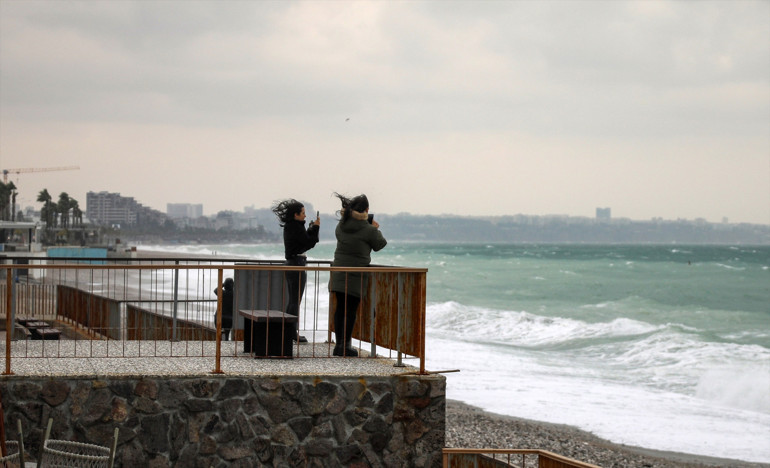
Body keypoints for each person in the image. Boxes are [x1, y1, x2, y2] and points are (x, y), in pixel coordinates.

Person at [329, 193, 387, 356]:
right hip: (355, 275)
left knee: (340, 309)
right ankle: (346, 346)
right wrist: (375, 228)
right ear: (366, 210)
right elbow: (380, 244)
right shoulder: (368, 229)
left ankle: (339, 345)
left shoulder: (341, 225)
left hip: (338, 272)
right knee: (350, 311)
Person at [272, 199, 320, 343]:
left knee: (293, 301)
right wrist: (315, 228)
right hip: (296, 264)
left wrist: (311, 229)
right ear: (296, 215)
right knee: (294, 301)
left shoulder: (292, 226)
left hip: (293, 264)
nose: (305, 215)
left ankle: (289, 331)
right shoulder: (295, 227)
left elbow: (304, 241)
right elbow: (309, 242)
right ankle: (291, 332)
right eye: (303, 213)